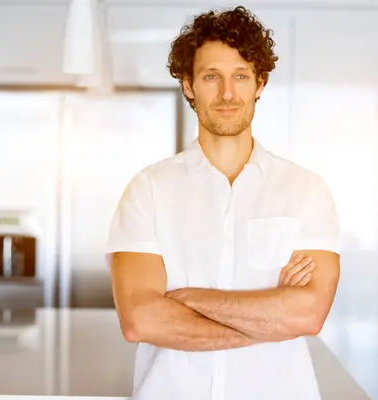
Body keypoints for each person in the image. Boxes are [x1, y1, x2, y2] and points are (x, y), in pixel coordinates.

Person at [105, 6, 341, 400]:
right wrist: (268, 322)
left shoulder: (306, 191)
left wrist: (188, 299)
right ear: (188, 84)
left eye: (241, 76)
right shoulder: (148, 190)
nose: (228, 93)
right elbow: (140, 320)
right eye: (211, 76)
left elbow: (308, 314)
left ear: (260, 84)